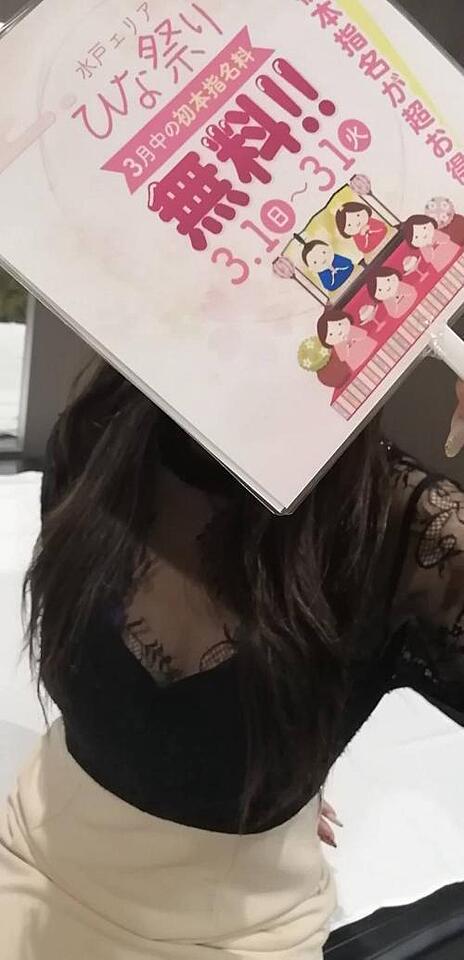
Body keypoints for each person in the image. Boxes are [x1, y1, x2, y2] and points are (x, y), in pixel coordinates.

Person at [0, 360, 464, 960]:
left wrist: (277, 770)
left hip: (238, 937)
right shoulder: (98, 432)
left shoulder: (408, 530)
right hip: (39, 862)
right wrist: (238, 766)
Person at [317, 309, 377, 373]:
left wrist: (353, 338)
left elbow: (363, 334)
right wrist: (346, 346)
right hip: (357, 362)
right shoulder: (338, 345)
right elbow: (343, 357)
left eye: (339, 324)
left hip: (370, 349)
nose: (339, 332)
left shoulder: (351, 330)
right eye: (331, 334)